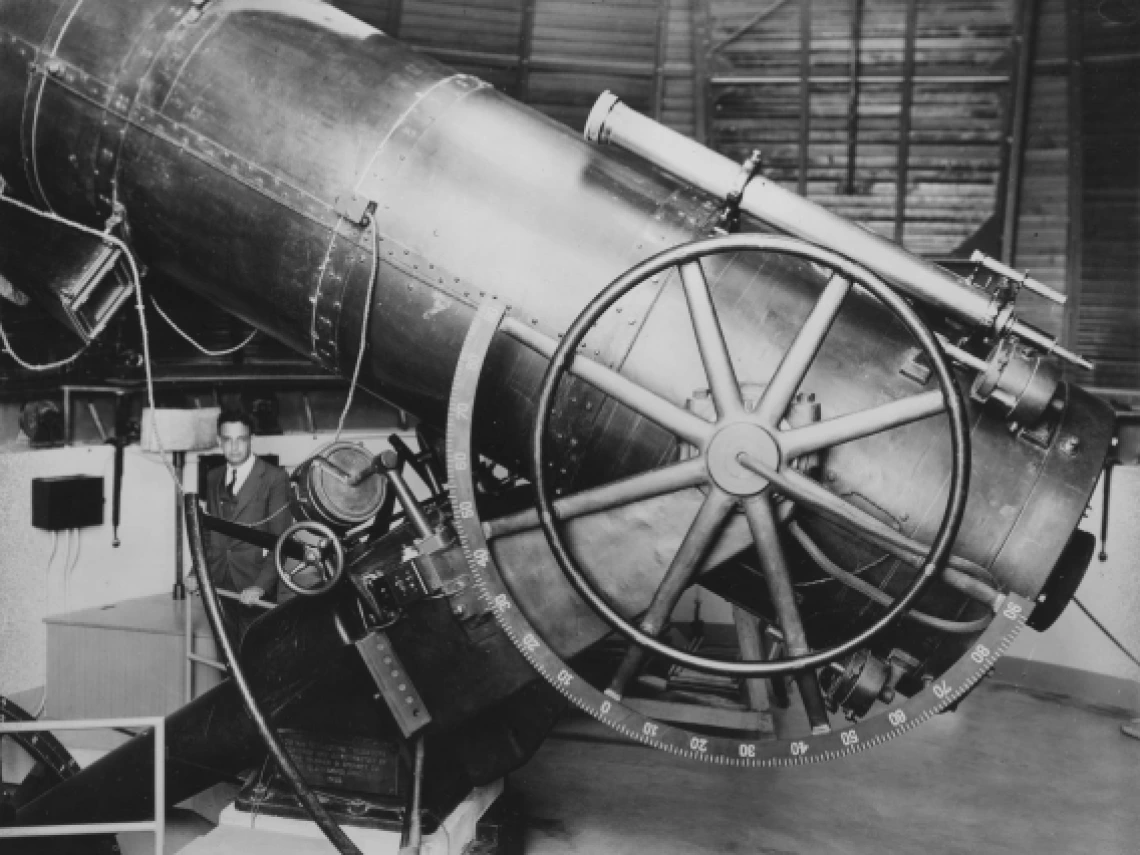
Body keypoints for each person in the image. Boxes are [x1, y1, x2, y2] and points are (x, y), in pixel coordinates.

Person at [204, 409, 293, 639]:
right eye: (227, 440)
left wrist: (261, 586)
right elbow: (207, 533)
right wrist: (197, 572)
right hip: (219, 583)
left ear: (250, 439)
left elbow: (281, 540)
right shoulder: (213, 477)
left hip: (253, 586)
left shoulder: (274, 478)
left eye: (241, 439)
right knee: (225, 652)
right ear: (218, 441)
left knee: (254, 659)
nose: (234, 447)